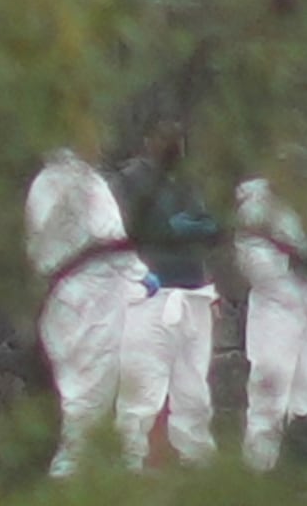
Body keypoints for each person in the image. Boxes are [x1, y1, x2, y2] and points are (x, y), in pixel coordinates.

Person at [24, 150, 140, 480]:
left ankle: (105, 470)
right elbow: (102, 238)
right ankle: (69, 473)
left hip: (96, 290)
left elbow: (111, 238)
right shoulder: (63, 183)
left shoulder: (80, 181)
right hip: (85, 296)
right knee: (86, 390)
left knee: (107, 385)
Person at [112, 148, 220, 468]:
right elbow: (120, 235)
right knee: (141, 395)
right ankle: (127, 469)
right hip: (151, 297)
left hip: (194, 293)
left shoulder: (189, 180)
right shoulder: (129, 181)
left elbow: (211, 227)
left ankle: (198, 464)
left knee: (194, 395)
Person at [235, 178, 307, 470]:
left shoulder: (306, 204)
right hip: (275, 311)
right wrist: (289, 263)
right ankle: (259, 469)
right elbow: (252, 261)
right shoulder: (256, 206)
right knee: (270, 393)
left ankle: (301, 465)